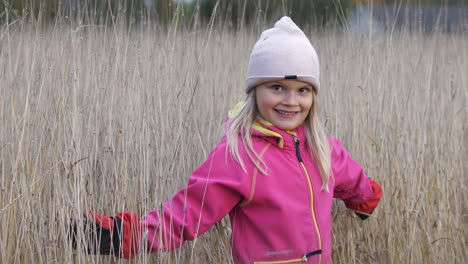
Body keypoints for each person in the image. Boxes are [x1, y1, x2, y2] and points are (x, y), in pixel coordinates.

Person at [71, 16, 382, 264]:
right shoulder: (240, 156)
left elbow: (352, 179)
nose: (291, 101)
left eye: (303, 90)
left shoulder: (323, 148)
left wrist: (366, 198)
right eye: (276, 87)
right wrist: (124, 236)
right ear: (255, 91)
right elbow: (185, 215)